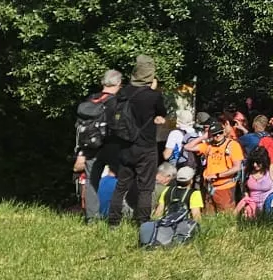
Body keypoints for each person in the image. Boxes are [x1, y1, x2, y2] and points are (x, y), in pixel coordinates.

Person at [107, 55, 168, 230]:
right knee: (146, 187)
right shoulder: (153, 96)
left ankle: (113, 222)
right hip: (146, 146)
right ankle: (143, 223)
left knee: (121, 185)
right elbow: (161, 113)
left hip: (125, 145)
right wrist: (154, 89)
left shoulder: (123, 93)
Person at [75, 70, 123, 223]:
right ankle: (121, 215)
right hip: (111, 146)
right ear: (118, 84)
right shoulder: (116, 102)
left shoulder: (90, 100)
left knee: (91, 181)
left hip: (90, 147)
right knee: (124, 179)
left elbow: (80, 128)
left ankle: (91, 219)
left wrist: (80, 152)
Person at [142, 164, 203, 249]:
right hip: (182, 227)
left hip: (167, 225)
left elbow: (159, 212)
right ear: (191, 180)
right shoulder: (194, 193)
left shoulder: (168, 189)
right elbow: (196, 215)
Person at [190, 121, 245, 214]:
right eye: (215, 134)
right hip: (209, 187)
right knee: (209, 217)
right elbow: (188, 147)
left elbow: (237, 167)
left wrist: (218, 175)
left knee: (226, 216)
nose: (218, 135)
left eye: (220, 132)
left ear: (224, 132)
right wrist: (203, 137)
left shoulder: (233, 145)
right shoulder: (208, 146)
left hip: (225, 187)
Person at [238, 155, 273, 219]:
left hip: (268, 208)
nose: (255, 165)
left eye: (257, 162)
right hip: (251, 207)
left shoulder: (272, 170)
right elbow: (245, 189)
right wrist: (247, 203)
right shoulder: (248, 172)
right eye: (253, 162)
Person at [163, 107, 198, 173]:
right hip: (192, 168)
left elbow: (166, 155)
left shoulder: (174, 133)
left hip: (178, 168)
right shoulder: (197, 133)